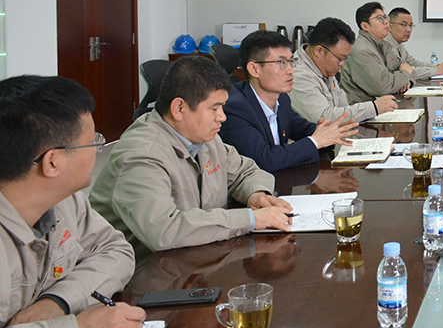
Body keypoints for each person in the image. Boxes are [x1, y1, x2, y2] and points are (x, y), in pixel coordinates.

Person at [0, 76, 144, 328]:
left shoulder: (64, 200)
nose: (98, 150)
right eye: (93, 142)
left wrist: (58, 302)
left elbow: (115, 250)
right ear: (52, 162)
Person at [90, 57, 294, 253]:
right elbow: (164, 230)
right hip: (142, 267)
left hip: (195, 255)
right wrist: (250, 219)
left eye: (223, 107)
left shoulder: (204, 137)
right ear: (179, 108)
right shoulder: (141, 155)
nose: (222, 117)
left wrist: (256, 195)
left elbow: (246, 172)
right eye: (215, 108)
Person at [220, 30, 357, 172]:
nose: (291, 70)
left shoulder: (282, 98)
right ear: (254, 69)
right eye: (282, 63)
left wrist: (330, 133)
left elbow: (301, 128)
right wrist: (316, 141)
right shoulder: (234, 108)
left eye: (291, 62)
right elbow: (264, 160)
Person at [291, 17, 398, 124]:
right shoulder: (298, 75)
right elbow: (324, 119)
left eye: (345, 59)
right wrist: (373, 108)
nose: (342, 64)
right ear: (319, 51)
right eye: (340, 58)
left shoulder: (324, 66)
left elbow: (343, 107)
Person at [340, 2, 415, 103]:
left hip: (381, 105)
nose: (386, 22)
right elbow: (383, 86)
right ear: (365, 26)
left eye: (385, 17)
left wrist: (407, 80)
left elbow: (410, 69)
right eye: (380, 18)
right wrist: (405, 75)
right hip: (362, 109)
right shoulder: (363, 50)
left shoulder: (384, 45)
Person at [387, 7, 443, 81]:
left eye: (410, 25)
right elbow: (402, 71)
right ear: (389, 26)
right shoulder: (386, 45)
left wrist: (437, 66)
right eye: (403, 25)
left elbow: (413, 63)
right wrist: (436, 70)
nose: (409, 30)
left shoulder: (399, 45)